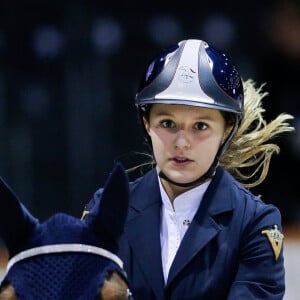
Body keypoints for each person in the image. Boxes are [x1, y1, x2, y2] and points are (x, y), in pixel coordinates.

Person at [82, 39, 295, 299]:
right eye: (168, 123)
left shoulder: (254, 224)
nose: (182, 143)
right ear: (146, 123)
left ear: (227, 129)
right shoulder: (106, 208)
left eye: (201, 126)